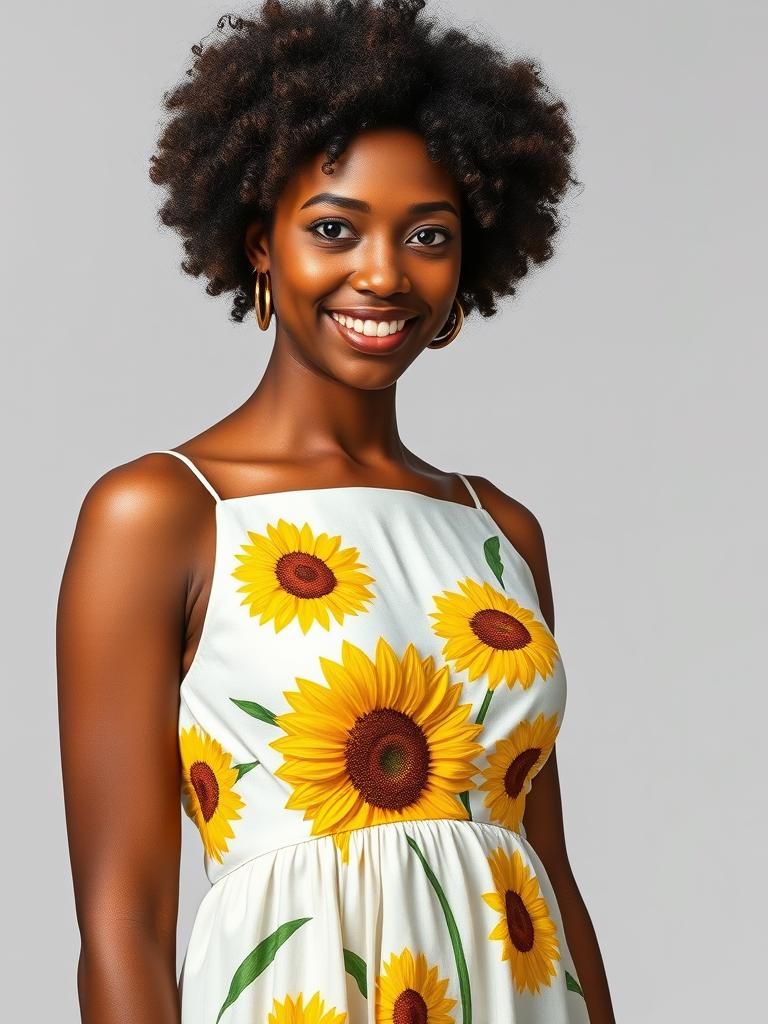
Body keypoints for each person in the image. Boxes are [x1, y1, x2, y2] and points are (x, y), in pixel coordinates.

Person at [57, 1, 616, 1021]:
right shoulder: (163, 513)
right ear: (259, 243)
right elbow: (120, 926)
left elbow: (549, 873)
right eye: (333, 228)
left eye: (429, 236)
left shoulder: (501, 530)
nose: (384, 274)